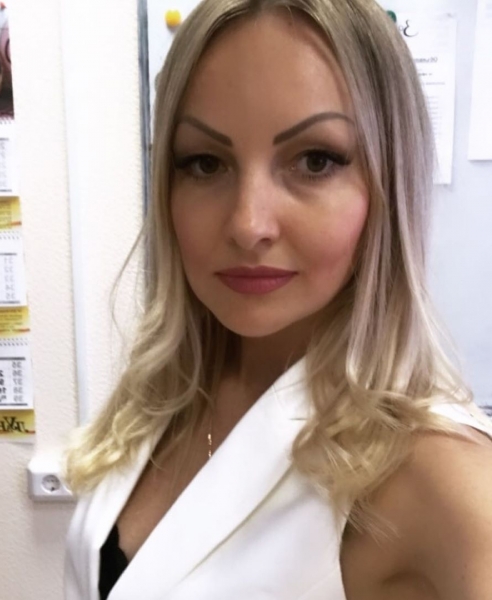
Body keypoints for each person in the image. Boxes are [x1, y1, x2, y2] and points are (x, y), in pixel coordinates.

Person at [64, 1, 492, 598]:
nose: (248, 224)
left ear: (387, 183)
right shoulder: (170, 394)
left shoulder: (437, 472)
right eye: (205, 163)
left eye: (315, 161)